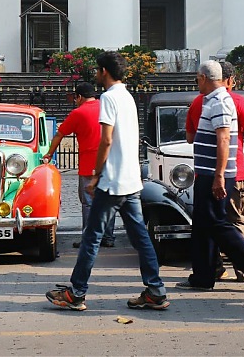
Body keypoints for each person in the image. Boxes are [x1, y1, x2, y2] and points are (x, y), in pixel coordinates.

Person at [46, 51, 169, 311]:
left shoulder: (109, 99)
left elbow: (107, 139)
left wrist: (98, 173)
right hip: (130, 180)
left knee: (92, 237)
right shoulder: (128, 97)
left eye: (98, 70)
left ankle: (77, 292)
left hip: (111, 181)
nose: (96, 74)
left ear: (104, 71)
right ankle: (156, 290)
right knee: (141, 238)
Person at [175, 60, 244, 292]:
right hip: (209, 172)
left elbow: (224, 138)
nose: (196, 82)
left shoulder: (219, 101)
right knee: (203, 224)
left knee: (215, 222)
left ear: (204, 78)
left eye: (197, 78)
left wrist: (218, 175)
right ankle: (203, 277)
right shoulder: (211, 100)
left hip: (215, 174)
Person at [43, 82, 116, 248]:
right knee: (108, 199)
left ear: (80, 97)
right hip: (110, 161)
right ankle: (108, 236)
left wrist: (49, 153)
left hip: (88, 164)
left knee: (89, 202)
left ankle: (90, 238)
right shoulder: (106, 108)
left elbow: (59, 134)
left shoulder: (78, 113)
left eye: (75, 98)